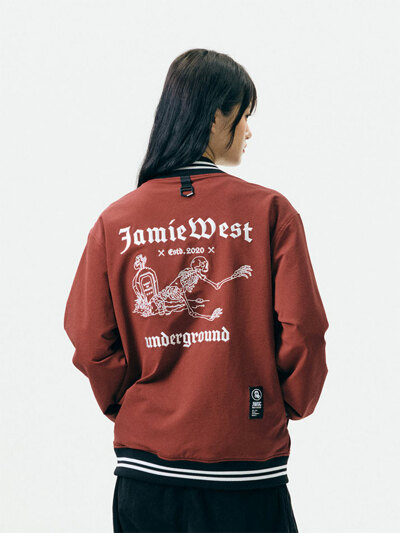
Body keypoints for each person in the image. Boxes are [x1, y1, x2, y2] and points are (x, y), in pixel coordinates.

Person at [64, 48, 329, 532]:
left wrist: (138, 407)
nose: (249, 131)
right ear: (215, 117)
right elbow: (304, 330)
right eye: (245, 116)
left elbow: (89, 338)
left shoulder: (115, 222)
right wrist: (278, 404)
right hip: (244, 473)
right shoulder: (270, 212)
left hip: (146, 479)